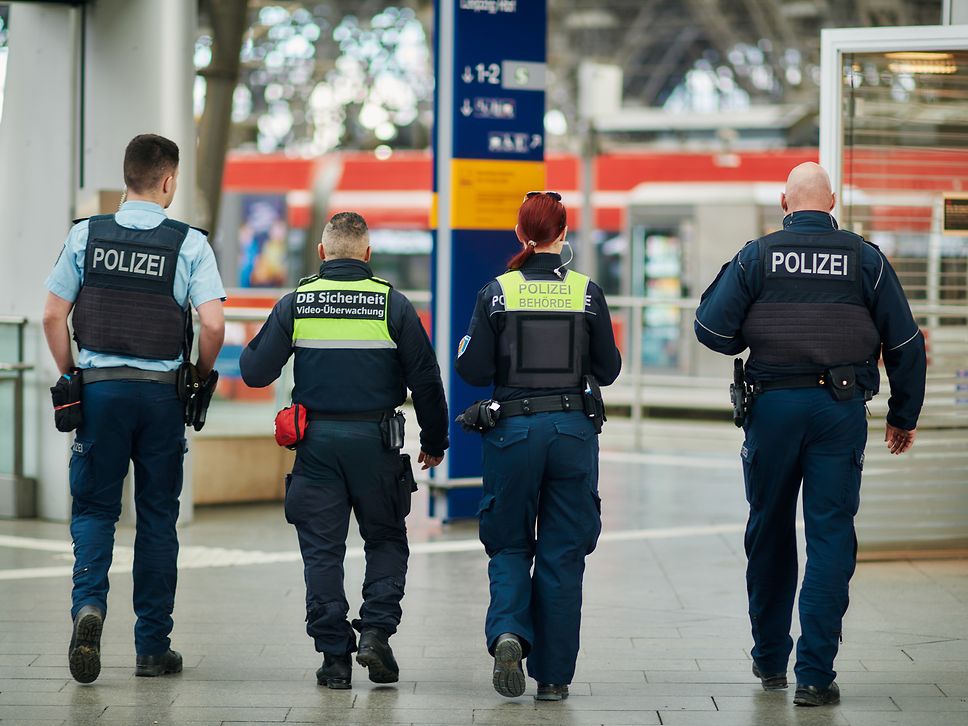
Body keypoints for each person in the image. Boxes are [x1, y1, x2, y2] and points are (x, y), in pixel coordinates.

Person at [694, 162, 926, 707]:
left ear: (784, 203)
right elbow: (906, 344)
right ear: (833, 203)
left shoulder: (757, 256)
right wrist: (903, 414)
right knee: (829, 536)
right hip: (838, 410)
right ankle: (816, 676)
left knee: (770, 528)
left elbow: (712, 330)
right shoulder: (865, 259)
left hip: (771, 408)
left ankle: (771, 659)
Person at [42, 133, 226, 684]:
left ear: (128, 177)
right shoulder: (189, 243)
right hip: (160, 397)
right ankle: (152, 647)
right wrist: (196, 374)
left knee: (95, 510)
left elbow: (52, 316)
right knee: (156, 518)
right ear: (169, 181)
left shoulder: (85, 236)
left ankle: (89, 609)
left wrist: (71, 373)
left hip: (98, 392)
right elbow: (213, 324)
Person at [239, 211, 448, 689]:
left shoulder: (298, 302)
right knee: (387, 539)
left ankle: (334, 657)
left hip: (315, 446)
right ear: (368, 255)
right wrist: (435, 441)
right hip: (376, 444)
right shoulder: (393, 305)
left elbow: (254, 372)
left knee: (322, 551)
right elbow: (427, 380)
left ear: (322, 253)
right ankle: (375, 632)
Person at [455, 191, 622, 701]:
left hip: (513, 435)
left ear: (519, 232)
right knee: (562, 553)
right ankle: (552, 677)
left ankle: (509, 631)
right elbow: (610, 369)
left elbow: (472, 368)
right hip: (573, 433)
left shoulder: (497, 292)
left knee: (508, 544)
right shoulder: (586, 293)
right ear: (564, 234)